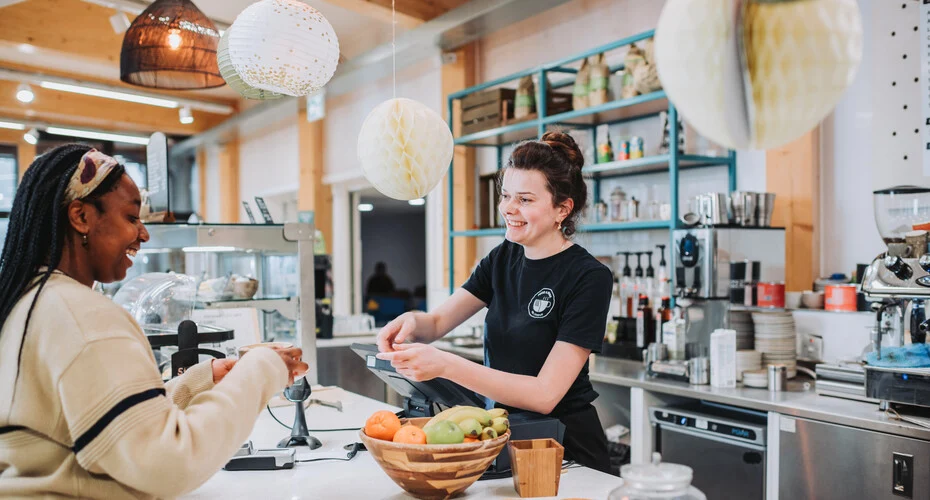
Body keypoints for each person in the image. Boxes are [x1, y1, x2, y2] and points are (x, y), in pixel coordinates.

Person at [0, 144, 308, 498]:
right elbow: (170, 462)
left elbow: (99, 432)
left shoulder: (27, 301)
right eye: (131, 218)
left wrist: (196, 384)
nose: (143, 234)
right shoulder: (82, 314)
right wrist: (262, 369)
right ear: (81, 217)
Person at [376, 131, 613, 473]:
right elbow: (438, 323)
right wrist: (412, 323)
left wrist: (446, 365)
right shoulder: (503, 258)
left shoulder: (588, 276)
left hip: (565, 448)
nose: (508, 209)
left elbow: (545, 395)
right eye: (505, 196)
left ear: (562, 209)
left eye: (525, 200)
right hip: (502, 433)